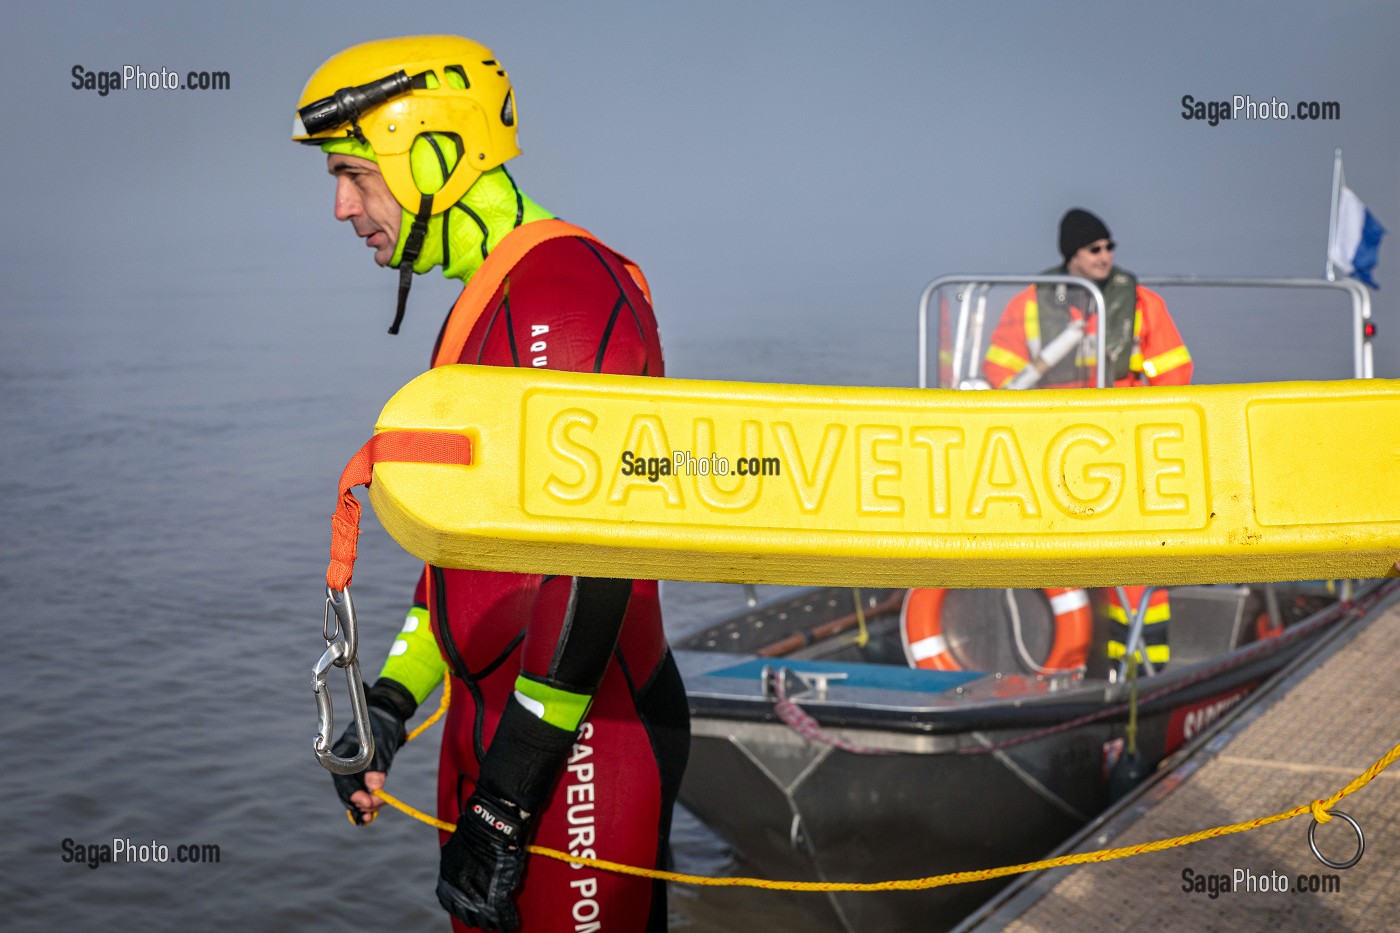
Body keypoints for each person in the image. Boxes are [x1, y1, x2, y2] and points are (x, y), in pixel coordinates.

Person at [292, 35, 689, 932]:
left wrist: (509, 800)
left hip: (582, 748)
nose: (341, 207)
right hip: (498, 739)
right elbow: (467, 563)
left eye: (354, 173)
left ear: (435, 156)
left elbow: (597, 561)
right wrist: (393, 701)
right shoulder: (481, 306)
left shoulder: (568, 292)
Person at [983, 208, 1193, 671]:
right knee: (1057, 559)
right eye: (1095, 248)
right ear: (1071, 255)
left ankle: (1141, 672)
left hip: (1125, 448)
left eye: (1109, 247)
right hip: (1049, 447)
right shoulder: (1028, 305)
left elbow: (1175, 376)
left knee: (1135, 571)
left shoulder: (1142, 304)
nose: (1106, 256)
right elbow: (1000, 372)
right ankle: (1063, 662)